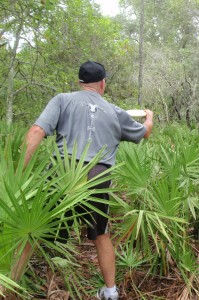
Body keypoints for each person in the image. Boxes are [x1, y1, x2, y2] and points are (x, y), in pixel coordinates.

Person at [21, 61, 154, 300]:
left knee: (35, 230)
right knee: (100, 234)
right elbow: (144, 132)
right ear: (103, 83)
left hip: (62, 171)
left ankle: (9, 282)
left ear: (80, 83)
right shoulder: (114, 111)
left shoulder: (62, 99)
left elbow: (36, 132)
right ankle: (110, 291)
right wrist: (150, 118)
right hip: (97, 174)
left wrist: (18, 174)